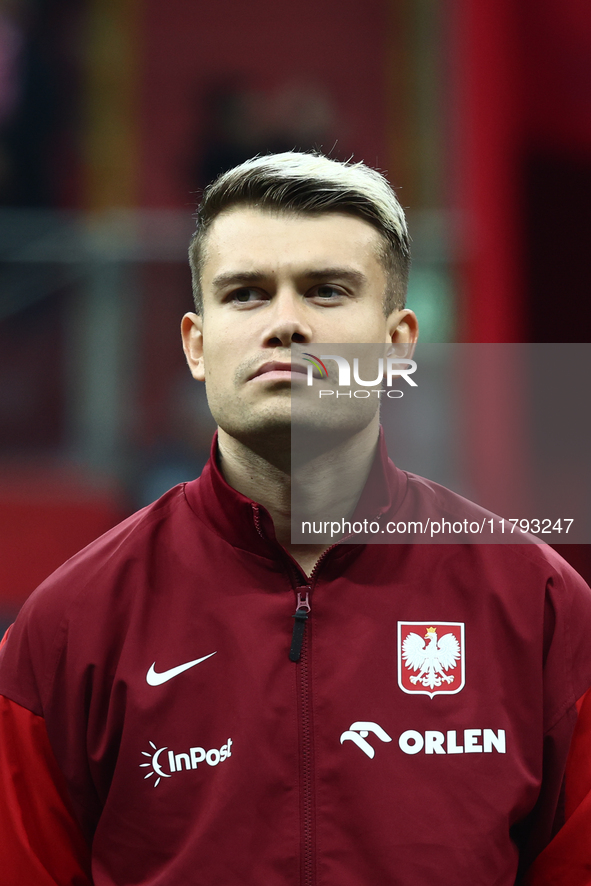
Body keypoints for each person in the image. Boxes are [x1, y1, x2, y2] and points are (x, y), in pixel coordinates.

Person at [0, 152, 590, 885]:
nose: (286, 324)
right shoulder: (71, 624)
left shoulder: (539, 607)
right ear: (195, 345)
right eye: (246, 294)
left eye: (326, 291)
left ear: (398, 343)